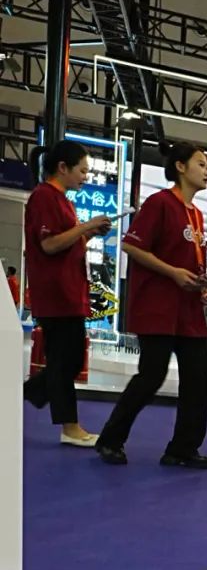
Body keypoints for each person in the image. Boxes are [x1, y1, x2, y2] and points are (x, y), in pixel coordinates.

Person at [96, 142, 207, 468]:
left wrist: (202, 287)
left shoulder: (197, 215)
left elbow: (192, 261)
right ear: (180, 167)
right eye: (201, 164)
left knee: (197, 382)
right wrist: (172, 272)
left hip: (188, 311)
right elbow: (131, 246)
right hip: (158, 307)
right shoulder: (159, 203)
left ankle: (182, 448)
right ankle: (111, 440)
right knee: (151, 377)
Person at [22, 138, 111, 448]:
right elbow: (49, 245)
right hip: (56, 294)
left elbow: (68, 244)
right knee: (65, 363)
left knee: (68, 363)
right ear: (63, 167)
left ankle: (28, 394)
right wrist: (85, 227)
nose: (86, 177)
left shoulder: (62, 201)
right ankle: (69, 427)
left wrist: (89, 232)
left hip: (68, 293)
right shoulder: (44, 197)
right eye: (82, 170)